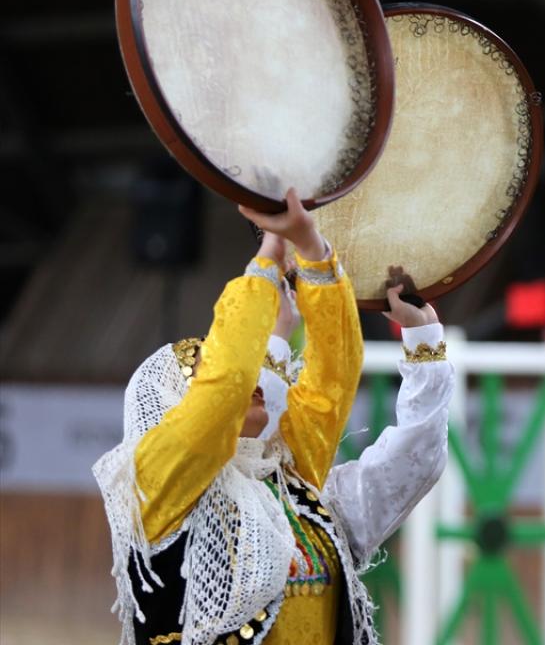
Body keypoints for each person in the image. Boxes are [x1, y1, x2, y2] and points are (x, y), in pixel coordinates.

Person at [93, 190, 453, 645]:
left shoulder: (292, 490)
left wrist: (317, 256)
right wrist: (271, 251)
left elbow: (331, 390)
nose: (252, 377)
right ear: (178, 405)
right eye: (211, 366)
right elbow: (225, 390)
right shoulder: (155, 486)